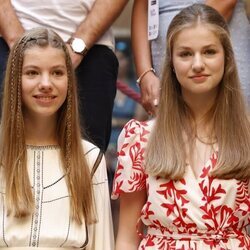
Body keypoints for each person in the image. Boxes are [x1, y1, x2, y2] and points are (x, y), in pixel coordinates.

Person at [112, 4, 250, 249]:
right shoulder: (140, 139)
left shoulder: (246, 136)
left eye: (209, 52)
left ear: (227, 58)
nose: (197, 64)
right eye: (185, 54)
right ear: (171, 63)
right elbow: (126, 237)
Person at [0, 27, 114, 249]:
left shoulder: (90, 158)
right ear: (15, 81)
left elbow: (102, 244)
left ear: (69, 81)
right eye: (32, 72)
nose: (46, 83)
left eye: (57, 73)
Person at [0, 0, 129, 152]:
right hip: (7, 39)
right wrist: (16, 41)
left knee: (87, 153)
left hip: (92, 48)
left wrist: (78, 46)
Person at [132, 0, 250, 115]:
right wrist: (145, 73)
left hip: (216, 32)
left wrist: (186, 46)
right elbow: (143, 5)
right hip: (168, 55)